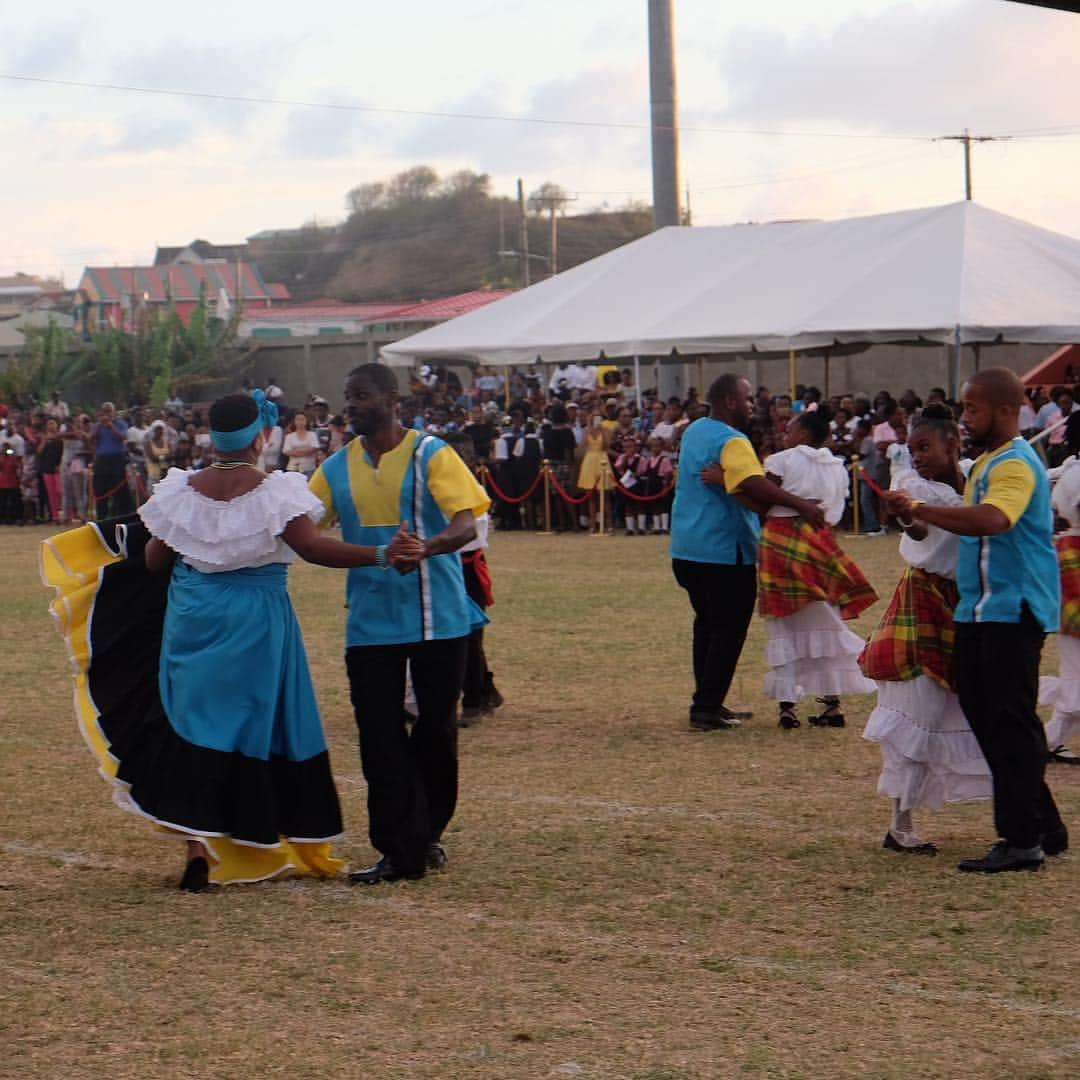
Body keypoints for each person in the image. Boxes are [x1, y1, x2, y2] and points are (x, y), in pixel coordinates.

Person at [41, 391, 423, 892]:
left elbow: (156, 560)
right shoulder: (274, 492)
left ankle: (198, 846)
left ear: (213, 436)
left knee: (194, 723)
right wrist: (380, 555)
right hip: (256, 620)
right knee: (252, 725)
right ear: (261, 435)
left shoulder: (181, 490)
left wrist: (192, 553)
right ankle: (250, 835)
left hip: (193, 618)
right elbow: (312, 548)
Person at [309, 363, 491, 885]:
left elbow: (465, 521)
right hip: (370, 626)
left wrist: (427, 547)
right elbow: (302, 527)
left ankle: (426, 832)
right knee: (379, 737)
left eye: (361, 395)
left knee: (436, 732)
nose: (352, 405)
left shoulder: (431, 452)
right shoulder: (336, 466)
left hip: (441, 620)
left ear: (392, 398)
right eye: (348, 396)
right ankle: (398, 848)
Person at [887, 368, 1068, 873]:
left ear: (1007, 410)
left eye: (973, 408)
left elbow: (993, 520)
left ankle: (1022, 839)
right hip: (981, 610)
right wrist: (910, 512)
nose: (966, 418)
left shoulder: (1012, 464)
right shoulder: (989, 461)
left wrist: (921, 505)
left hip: (1011, 610)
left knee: (1010, 724)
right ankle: (1042, 827)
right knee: (993, 720)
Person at [860, 404, 991, 853]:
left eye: (925, 447)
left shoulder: (979, 475)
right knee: (918, 707)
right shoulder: (911, 486)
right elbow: (915, 532)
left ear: (953, 443)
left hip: (967, 600)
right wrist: (904, 515)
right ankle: (900, 822)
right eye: (912, 448)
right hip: (924, 596)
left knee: (957, 704)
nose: (916, 456)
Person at [671, 374, 826, 733]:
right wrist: (800, 504)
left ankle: (707, 700)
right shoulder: (733, 440)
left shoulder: (695, 430)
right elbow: (752, 484)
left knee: (707, 626)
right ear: (729, 401)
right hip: (725, 550)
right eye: (747, 398)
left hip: (687, 547)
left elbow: (736, 483)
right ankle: (706, 708)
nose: (753, 405)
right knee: (727, 630)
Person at [757, 406, 877, 730]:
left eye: (790, 429)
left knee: (784, 621)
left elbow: (762, 495)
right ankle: (831, 705)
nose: (786, 434)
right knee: (826, 616)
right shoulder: (837, 467)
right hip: (820, 539)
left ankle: (787, 707)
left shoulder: (783, 459)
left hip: (781, 539)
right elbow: (835, 511)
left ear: (804, 435)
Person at [1039, 411, 1080, 765]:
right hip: (1074, 560)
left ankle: (1050, 739)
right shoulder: (1076, 474)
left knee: (1075, 660)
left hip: (1068, 557)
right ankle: (1047, 739)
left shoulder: (1070, 471)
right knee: (1075, 661)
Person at [89, 401, 134, 519]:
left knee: (119, 490)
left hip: (117, 460)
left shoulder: (121, 424)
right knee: (101, 491)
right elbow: (91, 439)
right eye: (105, 411)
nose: (107, 414)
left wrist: (111, 426)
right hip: (101, 461)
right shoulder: (97, 425)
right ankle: (101, 517)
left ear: (114, 412)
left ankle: (119, 516)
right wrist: (100, 425)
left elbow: (122, 437)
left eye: (109, 411)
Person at [282, 411, 320, 477]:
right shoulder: (289, 436)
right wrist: (305, 450)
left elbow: (314, 448)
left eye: (302, 419)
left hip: (309, 468)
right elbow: (286, 451)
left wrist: (296, 450)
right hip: (293, 468)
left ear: (306, 421)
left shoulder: (312, 435)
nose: (300, 422)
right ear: (294, 421)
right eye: (298, 419)